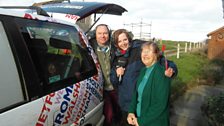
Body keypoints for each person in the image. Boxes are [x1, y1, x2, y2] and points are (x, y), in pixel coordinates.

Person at [110, 29, 177, 126]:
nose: (123, 43)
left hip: (141, 103)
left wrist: (172, 70)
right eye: (119, 41)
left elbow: (163, 61)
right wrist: (116, 75)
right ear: (116, 44)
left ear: (129, 39)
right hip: (125, 104)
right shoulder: (115, 57)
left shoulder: (139, 51)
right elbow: (114, 82)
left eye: (125, 40)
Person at [127, 42, 171, 126]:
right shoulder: (143, 70)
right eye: (143, 51)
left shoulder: (161, 73)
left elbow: (160, 104)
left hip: (154, 122)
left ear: (156, 54)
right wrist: (131, 112)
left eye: (149, 51)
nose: (145, 54)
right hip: (139, 118)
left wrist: (141, 121)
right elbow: (136, 94)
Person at [89, 24, 121, 126]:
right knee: (108, 114)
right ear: (95, 34)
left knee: (119, 111)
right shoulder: (89, 47)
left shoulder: (115, 48)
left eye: (105, 33)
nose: (102, 36)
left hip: (116, 87)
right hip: (101, 89)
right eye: (99, 33)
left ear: (109, 34)